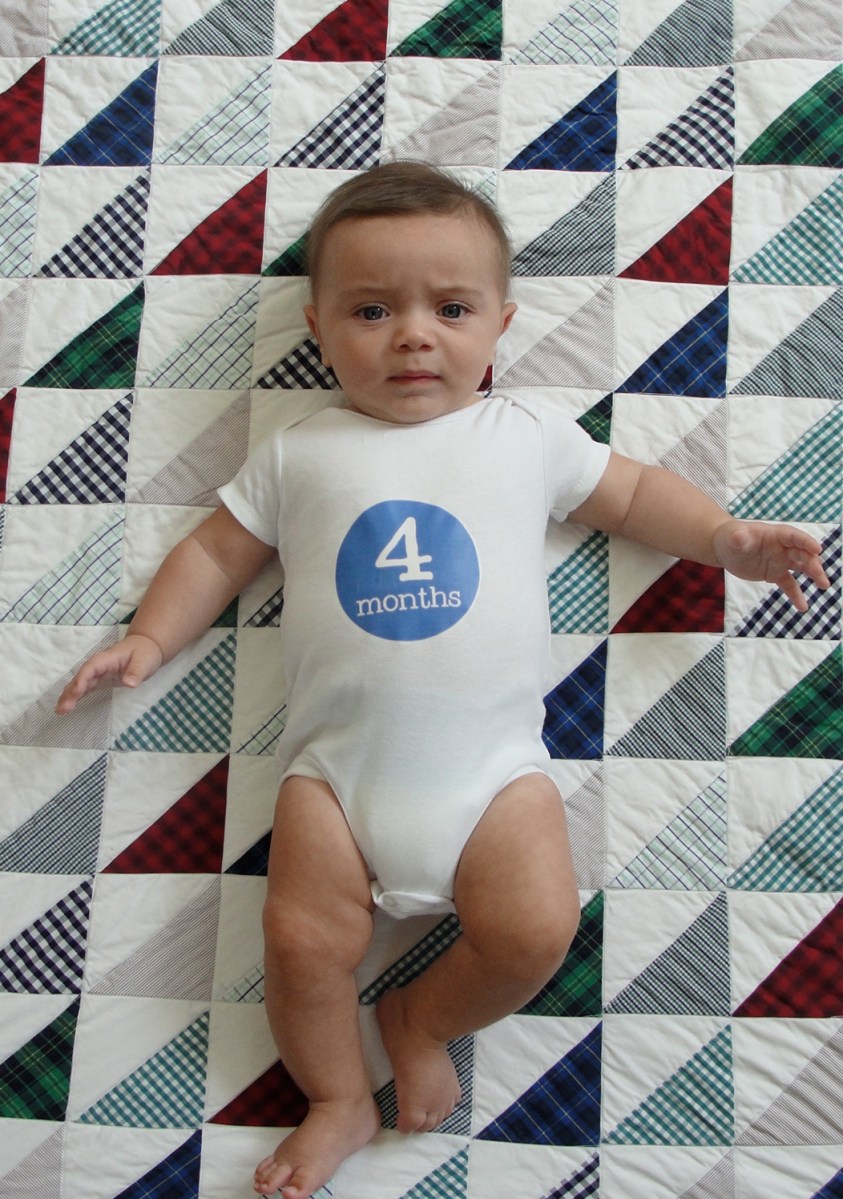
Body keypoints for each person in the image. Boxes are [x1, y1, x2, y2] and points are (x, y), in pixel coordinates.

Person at [56, 162, 830, 1199]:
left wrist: (726, 538)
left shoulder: (525, 436)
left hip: (493, 773)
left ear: (500, 324)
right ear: (318, 328)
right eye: (372, 310)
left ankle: (420, 1017)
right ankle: (337, 1094)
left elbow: (633, 492)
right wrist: (150, 639)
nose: (413, 336)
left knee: (535, 929)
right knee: (298, 941)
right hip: (335, 775)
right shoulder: (300, 452)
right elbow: (215, 553)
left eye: (451, 309)